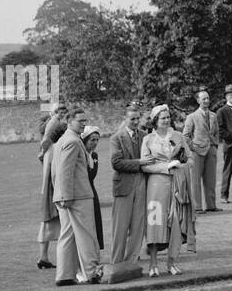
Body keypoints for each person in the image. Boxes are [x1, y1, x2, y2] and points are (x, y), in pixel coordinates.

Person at [140, 105, 192, 277]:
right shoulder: (148, 139)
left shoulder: (178, 136)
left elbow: (189, 158)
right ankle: (153, 263)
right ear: (155, 120)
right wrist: (165, 167)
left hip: (177, 183)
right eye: (163, 117)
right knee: (155, 222)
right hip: (156, 186)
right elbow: (145, 166)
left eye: (168, 117)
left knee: (176, 221)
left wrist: (182, 164)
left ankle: (172, 262)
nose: (166, 120)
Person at [52, 109, 103, 286]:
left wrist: (60, 195)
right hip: (77, 196)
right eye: (80, 121)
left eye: (85, 120)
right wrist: (66, 196)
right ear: (69, 121)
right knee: (87, 235)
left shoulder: (62, 141)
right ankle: (92, 272)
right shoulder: (73, 141)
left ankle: (65, 275)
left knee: (67, 235)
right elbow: (65, 171)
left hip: (65, 196)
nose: (83, 123)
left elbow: (55, 172)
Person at [109, 102, 152, 266]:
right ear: (125, 119)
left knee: (138, 227)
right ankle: (116, 263)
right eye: (132, 119)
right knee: (120, 229)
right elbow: (116, 163)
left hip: (142, 184)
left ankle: (131, 262)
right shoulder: (116, 138)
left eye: (137, 118)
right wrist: (139, 162)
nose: (135, 121)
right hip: (124, 186)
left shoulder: (144, 136)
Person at [36, 103, 69, 270]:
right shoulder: (56, 131)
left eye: (64, 110)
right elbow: (45, 142)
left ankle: (44, 257)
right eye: (59, 110)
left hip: (51, 186)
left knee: (51, 221)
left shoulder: (52, 127)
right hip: (53, 188)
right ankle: (47, 257)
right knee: (52, 220)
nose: (62, 113)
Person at [182, 88, 220, 214]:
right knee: (195, 180)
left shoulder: (214, 116)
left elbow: (216, 133)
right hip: (197, 152)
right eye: (204, 99)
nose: (206, 101)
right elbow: (185, 136)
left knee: (211, 179)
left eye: (208, 98)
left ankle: (211, 205)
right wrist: (193, 147)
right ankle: (197, 207)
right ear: (198, 100)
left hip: (211, 150)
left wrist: (215, 146)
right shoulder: (191, 117)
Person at [81, 126, 105, 255]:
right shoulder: (80, 154)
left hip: (92, 192)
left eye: (97, 140)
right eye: (92, 140)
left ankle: (95, 253)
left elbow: (92, 176)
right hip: (82, 193)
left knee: (96, 223)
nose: (95, 143)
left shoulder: (94, 155)